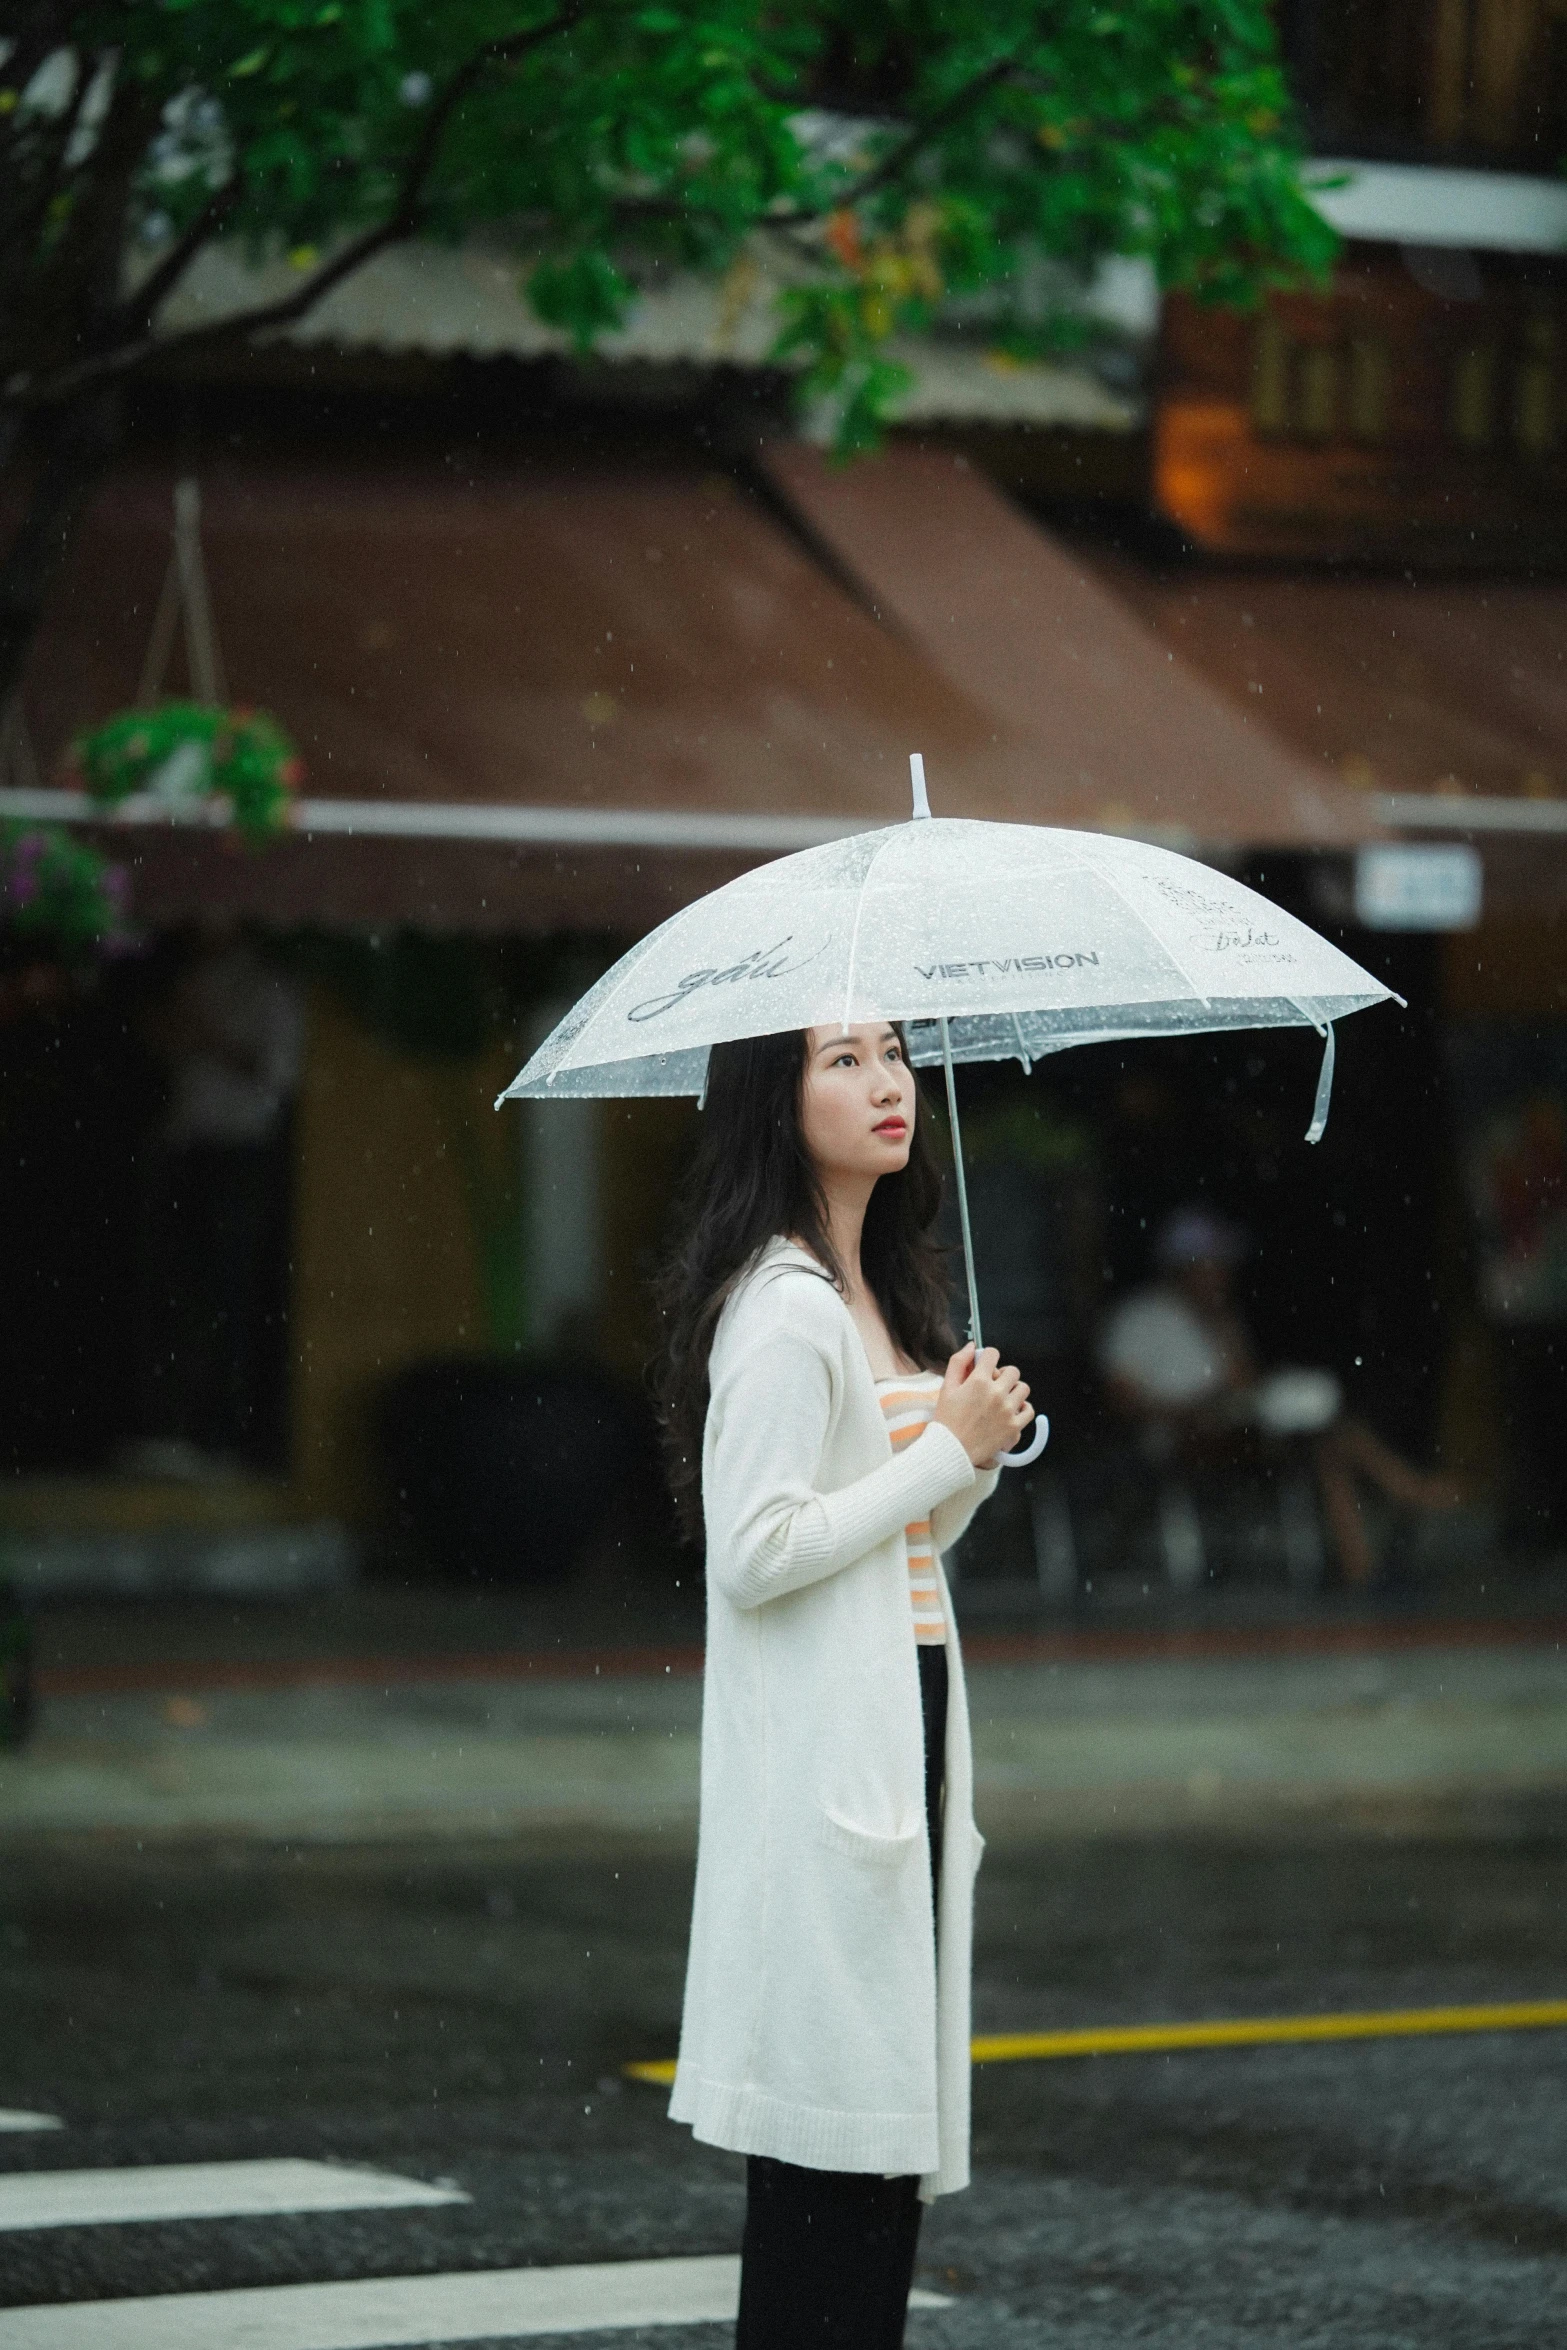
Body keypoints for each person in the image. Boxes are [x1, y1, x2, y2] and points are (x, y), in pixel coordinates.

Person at [654, 1020, 1031, 2349]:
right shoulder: (787, 1304)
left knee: (873, 2183)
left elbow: (897, 1555)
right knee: (830, 2186)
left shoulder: (874, 1286)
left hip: (898, 1731)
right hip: (826, 1774)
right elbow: (755, 1551)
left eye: (891, 1053)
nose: (886, 1084)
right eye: (840, 1060)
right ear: (773, 1096)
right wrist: (938, 1459)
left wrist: (965, 1450)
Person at [1098, 1205, 1459, 1586]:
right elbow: (1123, 1404)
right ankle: (1409, 1491)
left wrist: (1223, 1340)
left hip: (1238, 1430)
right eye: (1212, 1265)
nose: (1222, 1275)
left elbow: (1246, 1387)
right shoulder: (1136, 1319)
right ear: (1183, 1267)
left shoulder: (1218, 1318)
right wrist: (1193, 1410)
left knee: (1328, 1443)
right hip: (1175, 1438)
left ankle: (1364, 1566)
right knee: (1328, 1439)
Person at [135, 923, 304, 1473]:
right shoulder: (191, 981)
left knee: (227, 1289)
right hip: (185, 1141)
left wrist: (210, 1040)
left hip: (240, 1152)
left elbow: (277, 1074)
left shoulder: (269, 987)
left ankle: (223, 1435)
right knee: (175, 1284)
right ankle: (172, 1429)